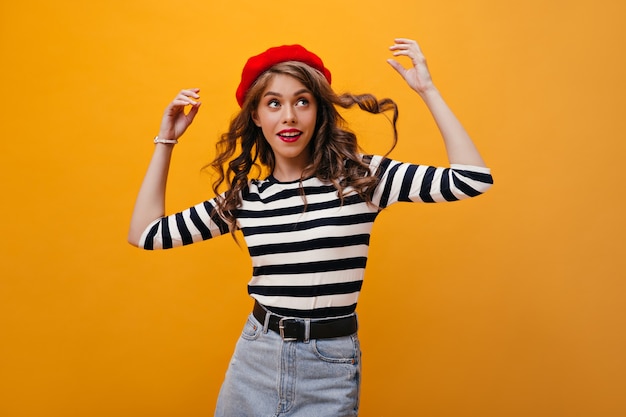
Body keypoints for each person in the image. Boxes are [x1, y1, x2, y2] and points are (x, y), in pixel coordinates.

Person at [128, 38, 493, 416]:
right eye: (274, 103)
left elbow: (471, 179)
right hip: (256, 358)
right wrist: (166, 140)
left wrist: (427, 90)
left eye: (302, 101)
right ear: (256, 116)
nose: (289, 116)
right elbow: (144, 234)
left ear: (319, 112)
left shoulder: (361, 178)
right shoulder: (247, 199)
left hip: (329, 367)